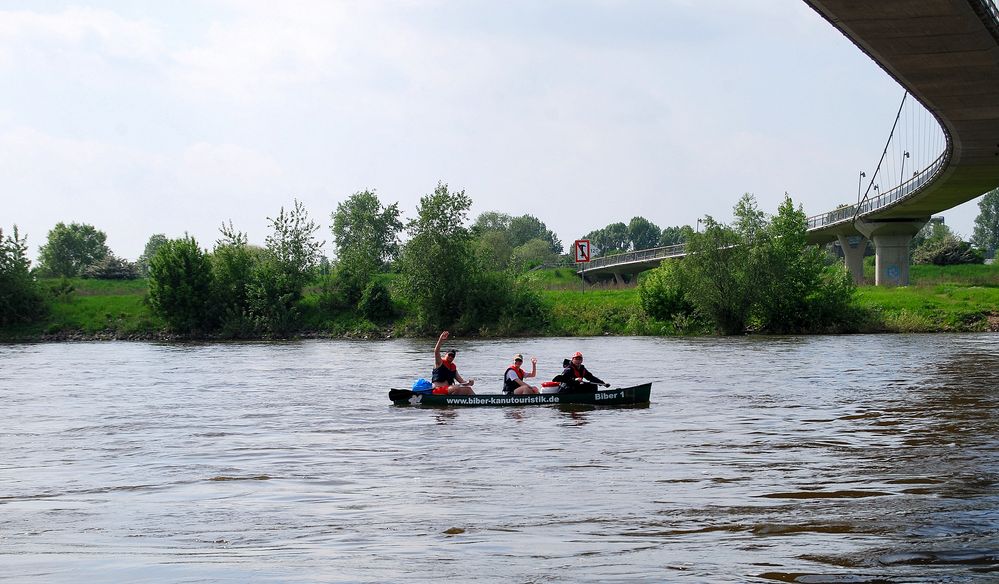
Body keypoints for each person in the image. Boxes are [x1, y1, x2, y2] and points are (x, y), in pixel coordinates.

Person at [432, 331, 475, 395]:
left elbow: (462, 382)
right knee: (456, 387)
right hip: (437, 390)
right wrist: (440, 339)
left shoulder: (453, 368)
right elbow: (436, 351)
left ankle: (480, 401)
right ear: (445, 354)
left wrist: (469, 383)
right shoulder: (439, 363)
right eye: (449, 355)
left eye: (453, 356)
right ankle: (452, 400)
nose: (451, 357)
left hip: (449, 390)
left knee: (468, 389)